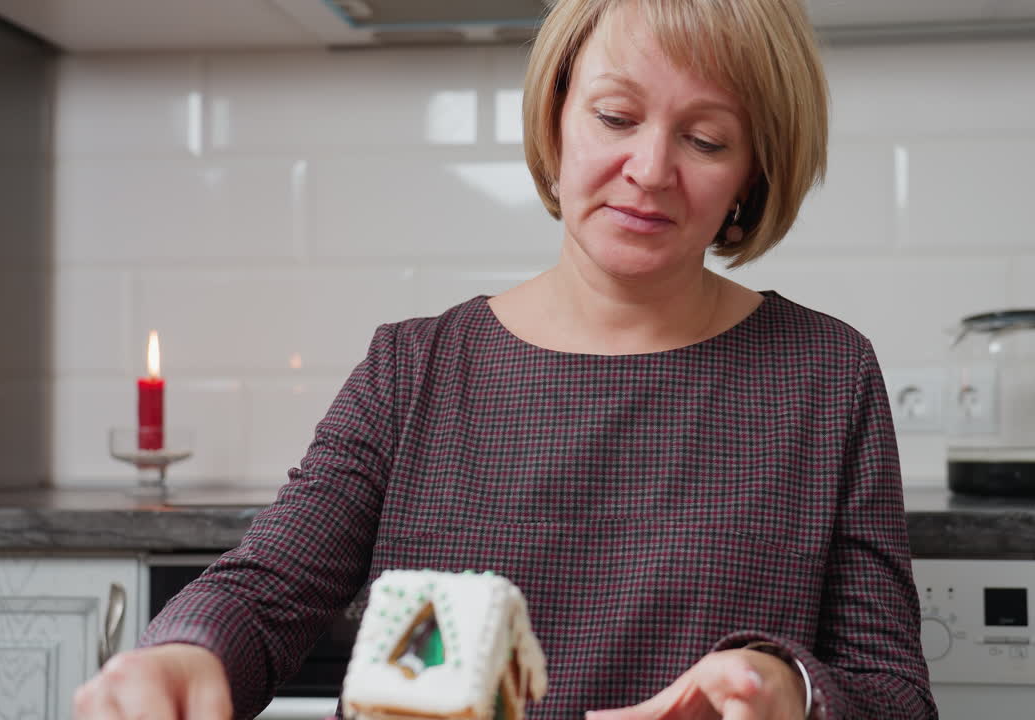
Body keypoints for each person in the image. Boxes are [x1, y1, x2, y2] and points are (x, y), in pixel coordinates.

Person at [74, 0, 937, 718]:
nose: (649, 168)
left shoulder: (827, 376)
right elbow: (264, 593)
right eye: (615, 116)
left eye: (706, 140)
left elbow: (891, 695)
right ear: (557, 115)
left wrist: (790, 691)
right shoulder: (413, 368)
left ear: (751, 174)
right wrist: (181, 653)